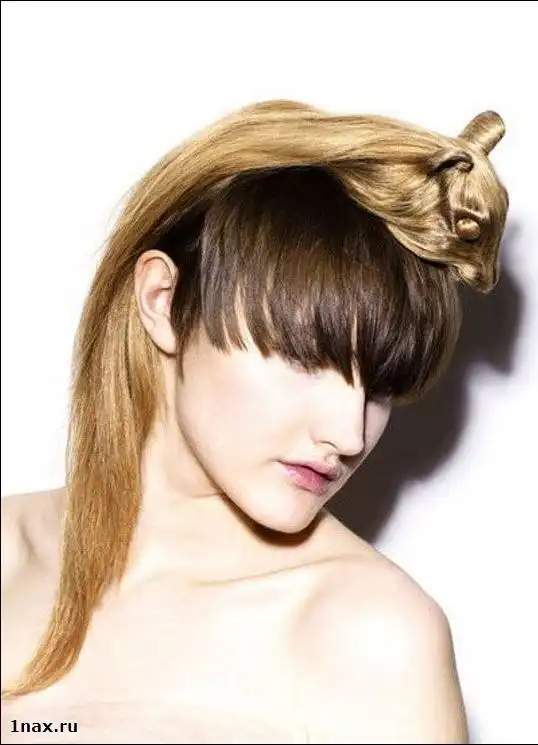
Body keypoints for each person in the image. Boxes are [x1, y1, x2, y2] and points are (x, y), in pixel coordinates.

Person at [1, 98, 509, 743]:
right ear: (163, 301)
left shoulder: (371, 634)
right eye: (306, 359)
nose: (349, 434)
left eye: (381, 386)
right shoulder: (8, 548)